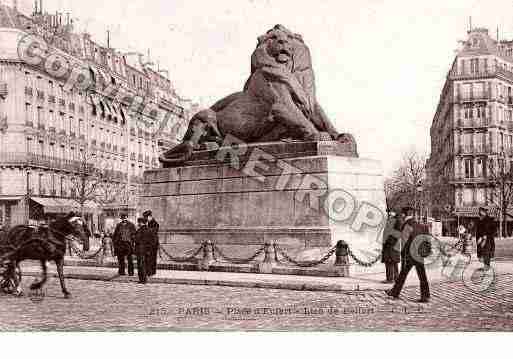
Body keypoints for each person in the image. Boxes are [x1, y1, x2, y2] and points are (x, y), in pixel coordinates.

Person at [386, 206, 431, 303]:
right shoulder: (421, 226)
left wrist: (399, 253)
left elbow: (402, 243)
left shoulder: (407, 225)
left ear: (404, 214)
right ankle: (425, 296)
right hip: (419, 255)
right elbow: (427, 241)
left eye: (402, 214)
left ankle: (395, 292)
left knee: (403, 275)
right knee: (422, 276)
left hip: (409, 256)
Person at [381, 212, 402, 283]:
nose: (388, 214)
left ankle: (390, 279)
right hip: (391, 245)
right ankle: (396, 278)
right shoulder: (392, 220)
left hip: (391, 245)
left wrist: (389, 242)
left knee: (390, 261)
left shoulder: (397, 221)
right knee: (393, 262)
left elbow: (398, 233)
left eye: (390, 213)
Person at [134, 217, 152, 284]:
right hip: (147, 250)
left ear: (141, 223)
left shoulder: (140, 230)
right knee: (145, 264)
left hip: (141, 250)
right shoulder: (149, 230)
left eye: (139, 222)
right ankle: (144, 279)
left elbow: (137, 239)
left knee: (141, 265)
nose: (138, 223)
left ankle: (142, 279)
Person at [143, 210, 159, 276]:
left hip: (153, 244)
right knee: (148, 258)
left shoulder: (155, 223)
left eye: (146, 218)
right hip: (148, 244)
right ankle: (149, 271)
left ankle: (152, 271)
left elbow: (152, 233)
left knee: (152, 258)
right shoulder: (148, 223)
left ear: (150, 216)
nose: (146, 219)